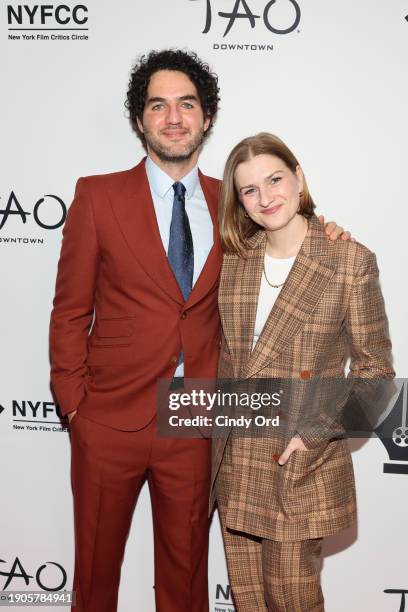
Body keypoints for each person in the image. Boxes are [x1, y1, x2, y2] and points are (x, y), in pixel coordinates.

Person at [49, 50, 349, 612]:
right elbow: (69, 311)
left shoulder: (235, 203)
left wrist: (327, 231)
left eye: (187, 104)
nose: (173, 117)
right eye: (157, 106)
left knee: (186, 585)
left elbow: (290, 237)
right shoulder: (98, 195)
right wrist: (74, 407)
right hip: (107, 420)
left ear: (206, 116)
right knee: (93, 579)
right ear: (140, 120)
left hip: (197, 419)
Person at [211, 132, 394, 611]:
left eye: (275, 180)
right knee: (248, 601)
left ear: (299, 178)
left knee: (293, 601)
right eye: (250, 189)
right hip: (236, 462)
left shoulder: (347, 260)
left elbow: (376, 374)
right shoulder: (233, 262)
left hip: (298, 463)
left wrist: (314, 434)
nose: (266, 197)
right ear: (239, 200)